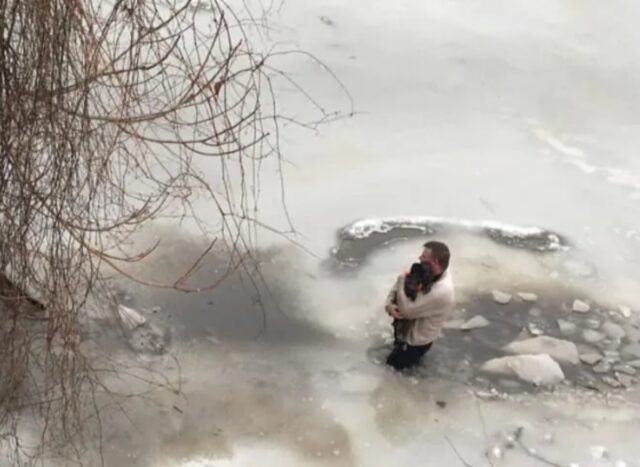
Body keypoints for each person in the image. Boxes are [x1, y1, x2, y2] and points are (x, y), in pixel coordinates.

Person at [384, 241, 455, 370]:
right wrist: (389, 304)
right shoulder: (426, 268)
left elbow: (407, 311)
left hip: (415, 343)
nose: (419, 258)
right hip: (404, 331)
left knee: (393, 367)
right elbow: (402, 283)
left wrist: (401, 280)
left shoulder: (442, 291)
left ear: (435, 262)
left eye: (423, 256)